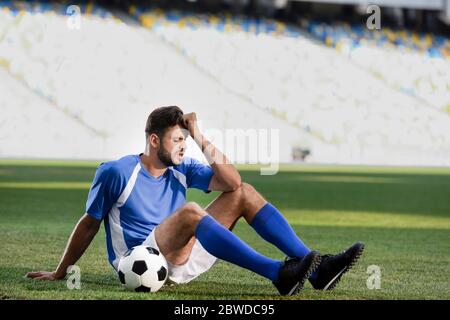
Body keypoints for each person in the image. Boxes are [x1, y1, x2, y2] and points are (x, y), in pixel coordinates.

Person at [26, 106, 364, 295]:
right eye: (177, 140)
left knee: (242, 193)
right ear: (154, 140)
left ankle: (315, 269)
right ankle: (277, 273)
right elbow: (89, 222)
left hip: (183, 250)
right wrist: (60, 272)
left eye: (185, 140)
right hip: (140, 258)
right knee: (191, 211)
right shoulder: (116, 171)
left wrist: (198, 135)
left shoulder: (184, 166)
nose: (183, 146)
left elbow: (233, 182)